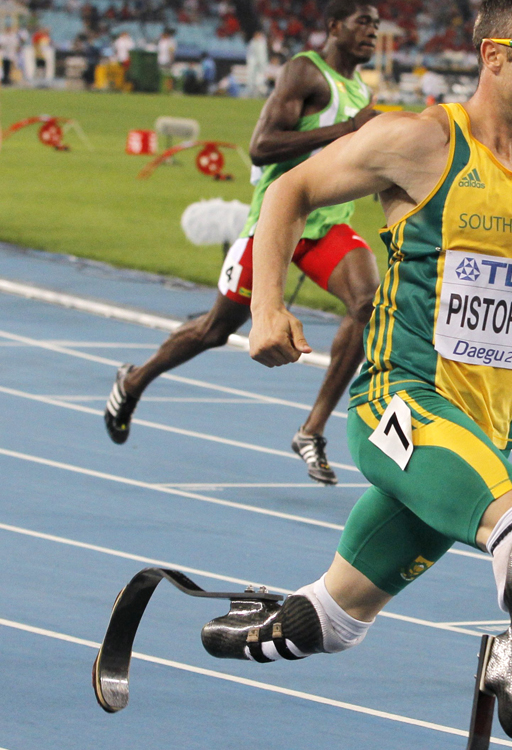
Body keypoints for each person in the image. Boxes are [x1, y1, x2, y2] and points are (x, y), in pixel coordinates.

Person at [197, 0, 512, 741]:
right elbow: (288, 190)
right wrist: (267, 305)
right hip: (400, 405)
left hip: (483, 435)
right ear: (494, 55)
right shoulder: (422, 141)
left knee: (332, 618)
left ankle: (249, 626)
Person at [104, 1, 384, 485]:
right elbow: (261, 145)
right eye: (364, 22)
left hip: (328, 223)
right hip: (277, 221)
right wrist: (347, 129)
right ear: (334, 26)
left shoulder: (359, 88)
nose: (373, 32)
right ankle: (134, 380)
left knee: (369, 305)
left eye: (378, 25)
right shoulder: (305, 72)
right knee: (216, 329)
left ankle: (311, 430)